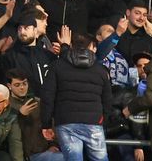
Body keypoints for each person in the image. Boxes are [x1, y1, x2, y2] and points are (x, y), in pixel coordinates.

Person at [40, 33, 111, 161]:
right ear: (91, 47)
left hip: (66, 122)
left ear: (71, 46)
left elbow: (47, 96)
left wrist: (46, 124)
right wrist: (102, 120)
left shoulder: (57, 66)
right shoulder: (101, 70)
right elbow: (107, 100)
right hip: (93, 122)